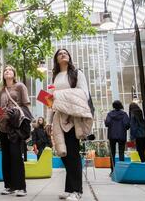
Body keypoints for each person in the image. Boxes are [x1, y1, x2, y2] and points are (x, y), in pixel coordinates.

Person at [45, 49, 92, 201]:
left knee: (73, 153)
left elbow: (84, 94)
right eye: (59, 54)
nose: (63, 54)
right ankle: (69, 189)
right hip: (58, 118)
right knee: (64, 154)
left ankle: (77, 191)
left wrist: (59, 96)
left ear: (69, 57)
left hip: (73, 117)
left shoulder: (77, 73)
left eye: (65, 52)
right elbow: (50, 101)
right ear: (56, 59)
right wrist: (48, 121)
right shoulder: (55, 77)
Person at [0, 65, 32, 197]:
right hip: (3, 127)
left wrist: (19, 116)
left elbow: (26, 105)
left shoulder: (20, 87)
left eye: (10, 70)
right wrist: (1, 114)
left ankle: (21, 187)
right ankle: (9, 186)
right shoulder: (0, 92)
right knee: (6, 157)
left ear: (14, 74)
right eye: (5, 70)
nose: (7, 71)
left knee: (16, 155)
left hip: (16, 127)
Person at [105, 100, 130, 172]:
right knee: (121, 152)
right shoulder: (124, 114)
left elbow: (107, 123)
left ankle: (113, 170)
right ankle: (121, 170)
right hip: (121, 135)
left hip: (112, 136)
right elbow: (127, 125)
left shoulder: (110, 114)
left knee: (112, 153)